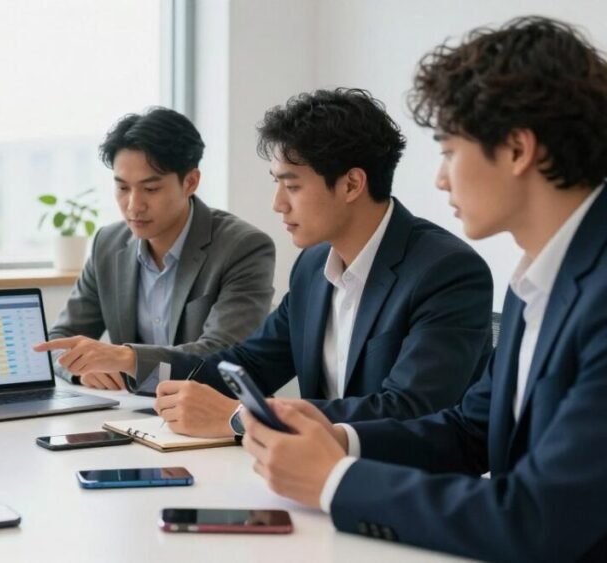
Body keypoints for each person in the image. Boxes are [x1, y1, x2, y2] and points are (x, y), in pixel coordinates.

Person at [238, 17, 607, 562]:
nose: (439, 179)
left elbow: (536, 517)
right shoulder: (540, 277)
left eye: (450, 150)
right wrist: (339, 440)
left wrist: (335, 481)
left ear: (518, 149)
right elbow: (468, 431)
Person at [46, 89, 493, 438]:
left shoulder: (446, 271)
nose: (277, 204)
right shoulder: (314, 265)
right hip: (315, 474)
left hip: (400, 489)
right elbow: (248, 365)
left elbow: (408, 410)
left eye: (292, 186)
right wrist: (130, 359)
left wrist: (241, 418)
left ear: (352, 183)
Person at [35, 107, 276, 394]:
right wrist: (80, 372)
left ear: (190, 182)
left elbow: (223, 354)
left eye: (150, 189)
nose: (134, 205)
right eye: (123, 188)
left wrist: (126, 358)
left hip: (212, 416)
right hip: (131, 412)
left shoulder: (243, 247)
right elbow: (59, 338)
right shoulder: (108, 244)